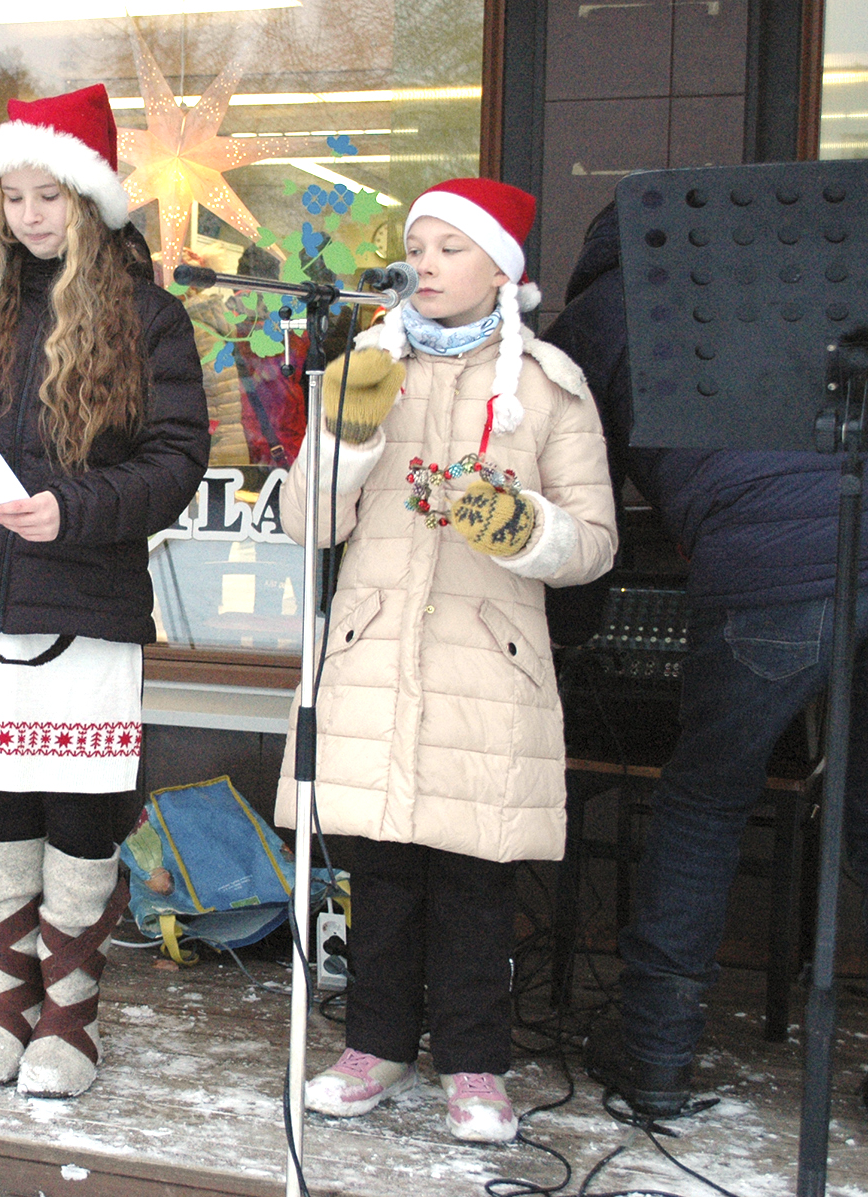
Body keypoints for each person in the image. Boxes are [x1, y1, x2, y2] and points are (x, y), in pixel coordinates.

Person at [279, 179, 617, 1142]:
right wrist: (344, 438)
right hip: (375, 651)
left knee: (476, 881)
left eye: (447, 248)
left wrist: (521, 525)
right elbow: (305, 523)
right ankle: (374, 1046)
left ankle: (475, 1066)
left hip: (488, 663)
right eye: (414, 246)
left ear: (500, 269)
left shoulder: (550, 384)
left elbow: (593, 544)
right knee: (379, 872)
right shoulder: (366, 365)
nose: (421, 263)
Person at [0, 84, 209, 1100]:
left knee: (80, 813)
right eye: (13, 197)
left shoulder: (147, 317)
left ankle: (72, 1018)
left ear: (93, 200)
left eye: (51, 196)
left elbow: (176, 461)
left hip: (88, 602)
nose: (28, 217)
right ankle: (6, 1005)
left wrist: (72, 507)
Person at [550, 206, 868, 1119]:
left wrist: (570, 633)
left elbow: (585, 508)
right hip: (847, 532)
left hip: (767, 576)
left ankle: (655, 1053)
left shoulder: (600, 317)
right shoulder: (803, 277)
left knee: (704, 800)